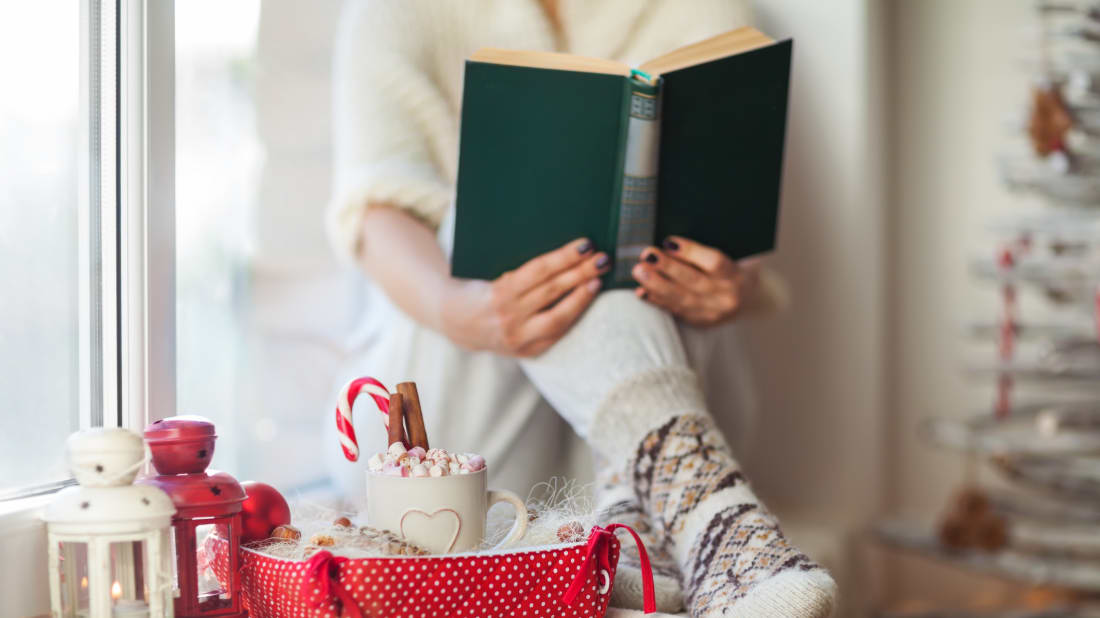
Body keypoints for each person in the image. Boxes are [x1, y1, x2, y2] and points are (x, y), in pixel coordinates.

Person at [324, 1, 836, 615]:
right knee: (520, 197)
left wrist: (732, 286)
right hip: (453, 448)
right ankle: (717, 524)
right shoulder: (396, 12)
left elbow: (732, 207)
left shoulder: (708, 10)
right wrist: (462, 308)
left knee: (638, 223)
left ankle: (638, 533)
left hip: (672, 361)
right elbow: (377, 205)